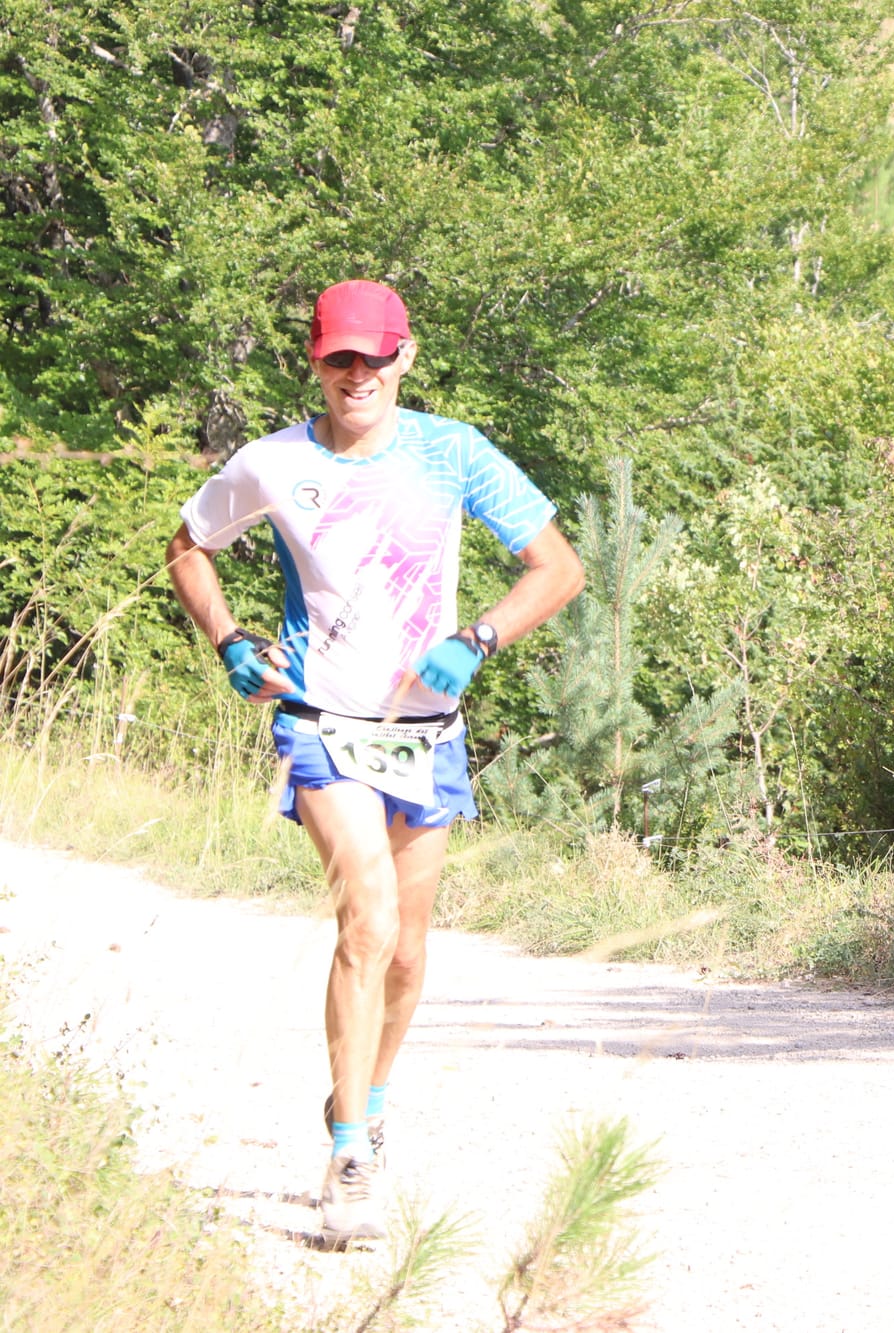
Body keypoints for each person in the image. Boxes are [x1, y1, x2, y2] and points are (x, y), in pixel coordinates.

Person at [165, 278, 584, 1242]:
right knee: (367, 913)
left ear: (406, 358)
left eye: (375, 357)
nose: (358, 375)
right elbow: (189, 546)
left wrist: (478, 637)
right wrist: (230, 640)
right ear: (315, 362)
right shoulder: (272, 463)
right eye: (339, 358)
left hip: (426, 730)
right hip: (317, 717)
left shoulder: (453, 451)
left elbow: (556, 567)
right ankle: (349, 1152)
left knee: (407, 948)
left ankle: (371, 1098)